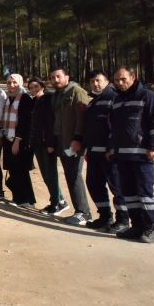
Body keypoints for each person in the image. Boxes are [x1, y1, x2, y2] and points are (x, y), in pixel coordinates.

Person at [108, 66, 154, 243]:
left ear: (133, 77)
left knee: (145, 192)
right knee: (128, 193)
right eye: (117, 80)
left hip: (142, 155)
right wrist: (112, 148)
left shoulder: (147, 96)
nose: (120, 83)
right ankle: (137, 226)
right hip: (122, 155)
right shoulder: (116, 100)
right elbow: (114, 128)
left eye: (123, 79)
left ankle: (149, 228)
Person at [83, 70, 128, 232]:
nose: (95, 84)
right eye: (92, 81)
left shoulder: (113, 97)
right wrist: (86, 148)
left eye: (98, 80)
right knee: (94, 184)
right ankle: (105, 216)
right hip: (94, 152)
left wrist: (113, 148)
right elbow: (90, 128)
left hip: (110, 154)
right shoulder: (94, 101)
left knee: (116, 186)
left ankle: (123, 219)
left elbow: (117, 127)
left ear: (107, 81)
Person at [49, 67, 93, 226]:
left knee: (75, 176)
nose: (55, 80)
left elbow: (82, 118)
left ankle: (84, 212)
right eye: (52, 77)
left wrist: (78, 139)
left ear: (66, 77)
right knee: (69, 175)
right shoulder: (57, 95)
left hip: (74, 142)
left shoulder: (76, 92)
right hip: (62, 142)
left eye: (58, 76)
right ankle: (80, 210)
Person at [27, 77, 69, 216]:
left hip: (47, 144)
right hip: (38, 143)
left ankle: (57, 203)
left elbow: (51, 124)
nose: (33, 89)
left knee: (51, 174)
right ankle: (59, 200)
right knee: (45, 174)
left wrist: (51, 143)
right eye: (31, 87)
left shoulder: (47, 100)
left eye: (36, 86)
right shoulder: (34, 102)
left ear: (42, 86)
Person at [2, 74, 36, 208]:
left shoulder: (25, 98)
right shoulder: (8, 98)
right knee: (13, 169)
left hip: (19, 140)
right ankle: (18, 198)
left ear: (20, 83)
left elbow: (24, 122)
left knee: (21, 170)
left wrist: (17, 140)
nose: (11, 85)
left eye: (14, 82)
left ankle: (28, 200)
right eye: (9, 82)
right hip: (8, 137)